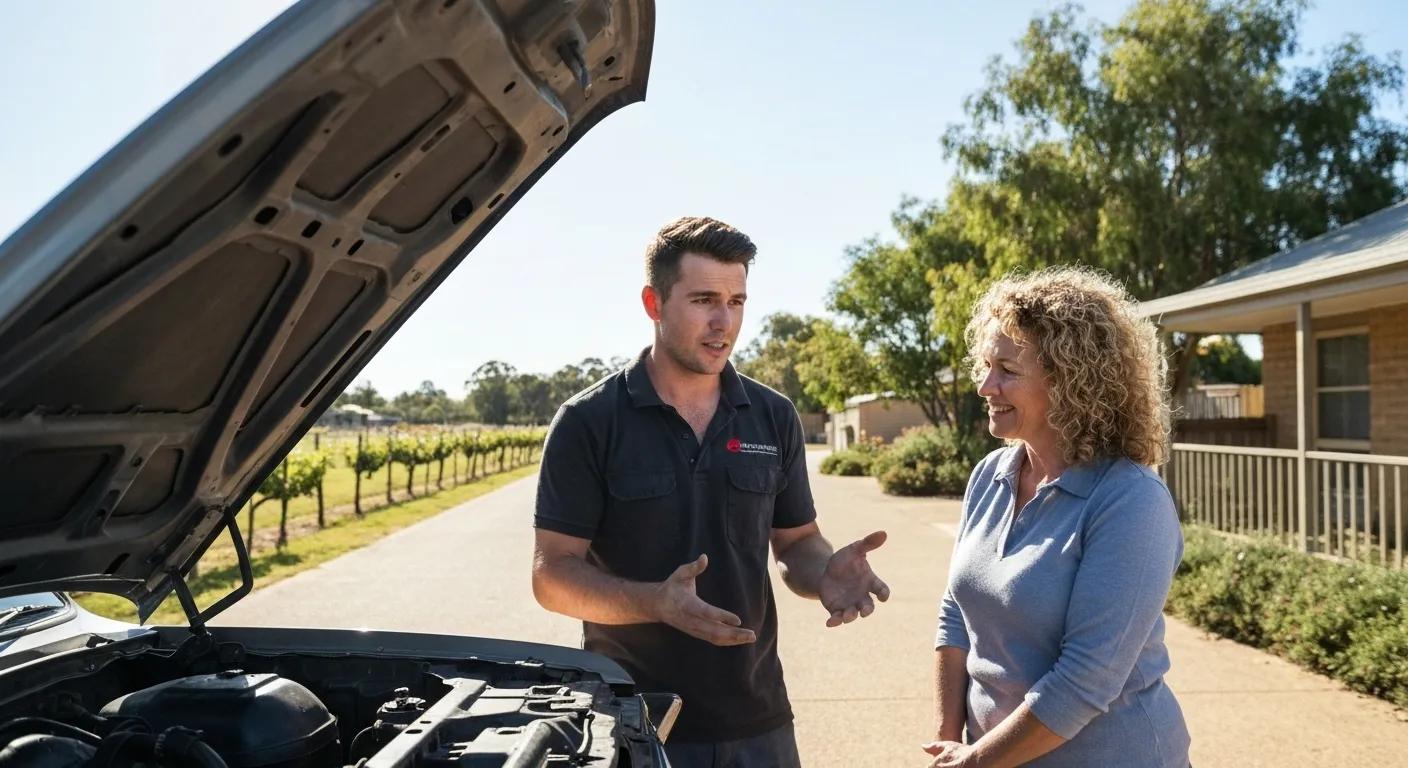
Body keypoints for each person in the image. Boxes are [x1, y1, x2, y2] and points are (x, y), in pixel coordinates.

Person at [531, 215, 890, 767]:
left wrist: (824, 573)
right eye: (703, 300)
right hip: (630, 722)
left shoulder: (773, 415)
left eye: (736, 301)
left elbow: (796, 542)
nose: (724, 322)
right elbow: (552, 575)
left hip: (759, 722)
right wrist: (655, 603)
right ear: (654, 303)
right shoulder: (589, 421)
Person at [924, 267, 1191, 768]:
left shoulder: (1131, 500)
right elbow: (956, 613)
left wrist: (975, 761)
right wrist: (947, 741)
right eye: (985, 365)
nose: (985, 386)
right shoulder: (990, 474)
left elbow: (1086, 679)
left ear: (1071, 381)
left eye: (1007, 370)